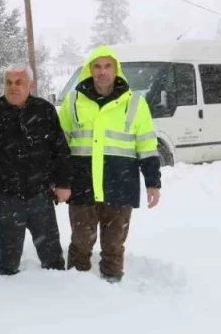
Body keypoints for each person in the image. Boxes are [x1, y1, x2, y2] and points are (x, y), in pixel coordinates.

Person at [58, 45, 162, 283]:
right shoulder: (73, 101)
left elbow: (146, 145)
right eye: (97, 66)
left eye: (107, 66)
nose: (102, 72)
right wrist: (59, 179)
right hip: (82, 186)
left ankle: (113, 285)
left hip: (120, 186)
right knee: (80, 242)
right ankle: (75, 285)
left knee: (114, 244)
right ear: (89, 70)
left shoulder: (134, 103)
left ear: (116, 70)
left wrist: (153, 184)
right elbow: (60, 145)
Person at [0, 63, 72, 276]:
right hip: (6, 197)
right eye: (8, 82)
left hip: (41, 196)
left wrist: (63, 183)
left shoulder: (44, 110)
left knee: (52, 259)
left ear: (31, 85)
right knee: (8, 262)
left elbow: (60, 150)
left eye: (19, 82)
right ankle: (9, 299)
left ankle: (60, 297)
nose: (13, 87)